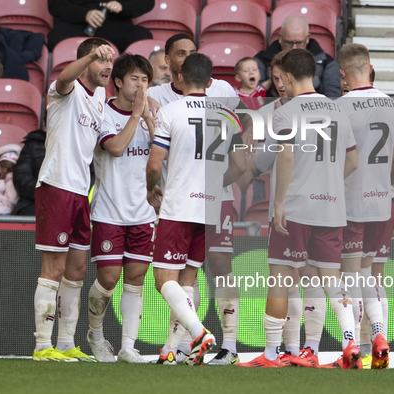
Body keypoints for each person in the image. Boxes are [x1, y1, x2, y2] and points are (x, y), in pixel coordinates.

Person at [238, 49, 360, 369]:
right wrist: (330, 182)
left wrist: (278, 202)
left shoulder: (287, 111)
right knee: (330, 280)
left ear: (289, 77)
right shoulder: (338, 110)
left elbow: (287, 156)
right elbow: (353, 161)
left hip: (297, 207)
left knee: (280, 276)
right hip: (332, 209)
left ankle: (270, 354)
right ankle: (351, 344)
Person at [147, 33, 246, 366]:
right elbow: (241, 165)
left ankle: (199, 333)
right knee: (187, 279)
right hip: (211, 207)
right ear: (211, 79)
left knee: (165, 280)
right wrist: (217, 184)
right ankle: (174, 348)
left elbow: (154, 164)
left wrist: (151, 189)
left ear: (179, 77)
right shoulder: (227, 115)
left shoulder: (170, 112)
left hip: (178, 205)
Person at [32, 38, 114, 362]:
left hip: (81, 191)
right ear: (86, 61)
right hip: (56, 185)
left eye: (110, 61)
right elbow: (64, 79)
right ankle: (42, 346)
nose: (107, 66)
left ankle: (66, 344)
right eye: (101, 60)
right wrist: (91, 54)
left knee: (77, 269)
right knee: (52, 267)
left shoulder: (101, 98)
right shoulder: (65, 92)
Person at [336, 43, 394, 370]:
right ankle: (380, 339)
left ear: (343, 74)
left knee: (349, 278)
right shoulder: (392, 104)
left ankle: (357, 349)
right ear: (370, 67)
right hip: (384, 201)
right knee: (373, 275)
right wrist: (384, 182)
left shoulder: (340, 106)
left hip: (352, 202)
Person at [86, 53, 156, 363]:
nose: (141, 85)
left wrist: (150, 120)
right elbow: (114, 148)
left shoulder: (151, 114)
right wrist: (136, 115)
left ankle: (128, 346)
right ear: (117, 82)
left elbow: (162, 156)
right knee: (109, 277)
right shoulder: (105, 113)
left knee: (136, 280)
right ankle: (96, 335)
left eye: (145, 80)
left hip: (143, 213)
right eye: (135, 79)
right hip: (108, 212)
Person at [254, 15, 341, 98]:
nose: (294, 48)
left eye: (299, 43)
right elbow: (252, 95)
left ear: (307, 38)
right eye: (289, 42)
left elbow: (332, 98)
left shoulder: (327, 62)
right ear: (280, 38)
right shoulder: (261, 60)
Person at [47, 0, 154, 53]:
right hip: (76, 25)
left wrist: (122, 6)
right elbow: (55, 4)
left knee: (141, 37)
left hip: (115, 25)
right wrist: (85, 14)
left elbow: (147, 2)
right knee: (55, 39)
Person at [11, 129, 46, 216]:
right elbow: (21, 176)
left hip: (68, 202)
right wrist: (44, 194)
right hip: (32, 201)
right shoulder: (34, 143)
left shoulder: (77, 145)